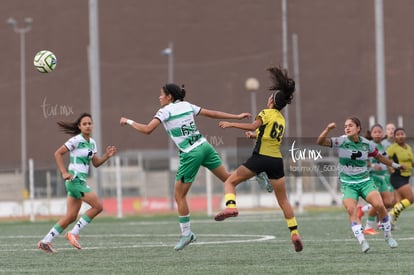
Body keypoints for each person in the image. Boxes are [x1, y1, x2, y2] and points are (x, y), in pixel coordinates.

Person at [120, 83, 251, 251]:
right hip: (205, 146)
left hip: (191, 153)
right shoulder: (187, 105)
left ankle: (187, 233)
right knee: (229, 179)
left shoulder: (164, 111)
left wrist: (128, 121)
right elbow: (213, 113)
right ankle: (253, 172)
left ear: (169, 97)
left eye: (161, 94)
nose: (159, 97)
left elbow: (147, 130)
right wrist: (237, 117)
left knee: (179, 196)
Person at [213, 66, 303, 253]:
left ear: (272, 100)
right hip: (276, 161)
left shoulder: (266, 112)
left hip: (260, 158)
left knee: (230, 181)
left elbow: (255, 125)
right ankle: (294, 232)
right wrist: (255, 136)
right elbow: (270, 137)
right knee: (283, 200)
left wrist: (231, 124)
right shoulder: (281, 119)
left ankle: (231, 207)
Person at [317, 117, 401, 253]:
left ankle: (388, 236)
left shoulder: (367, 144)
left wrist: (395, 165)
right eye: (345, 126)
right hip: (348, 184)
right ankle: (362, 241)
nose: (347, 128)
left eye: (350, 125)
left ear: (358, 128)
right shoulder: (341, 141)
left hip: (365, 181)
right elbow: (320, 141)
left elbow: (379, 157)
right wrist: (327, 129)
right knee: (352, 210)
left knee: (380, 205)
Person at [37, 113, 117, 253]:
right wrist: (64, 172)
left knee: (71, 216)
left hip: (79, 182)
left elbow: (96, 163)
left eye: (89, 123)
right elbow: (57, 153)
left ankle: (45, 242)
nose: (87, 126)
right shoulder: (76, 140)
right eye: (84, 124)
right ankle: (73, 233)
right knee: (98, 206)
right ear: (79, 126)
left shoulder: (92, 142)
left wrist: (107, 156)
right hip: (75, 181)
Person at [360, 124, 395, 235]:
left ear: (383, 134)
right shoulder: (368, 146)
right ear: (371, 134)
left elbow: (386, 159)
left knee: (389, 202)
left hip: (383, 177)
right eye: (375, 132)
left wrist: (390, 167)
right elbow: (363, 160)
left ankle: (368, 213)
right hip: (373, 177)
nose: (378, 134)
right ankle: (369, 227)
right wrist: (373, 166)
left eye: (380, 132)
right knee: (378, 203)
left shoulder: (384, 147)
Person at [387, 127, 414, 228]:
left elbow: (411, 162)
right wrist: (390, 168)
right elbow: (385, 158)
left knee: (398, 202)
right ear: (394, 137)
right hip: (397, 176)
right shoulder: (393, 148)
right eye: (398, 134)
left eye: (402, 134)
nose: (400, 136)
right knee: (411, 199)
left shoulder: (408, 147)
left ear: (405, 135)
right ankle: (391, 214)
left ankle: (391, 224)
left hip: (406, 176)